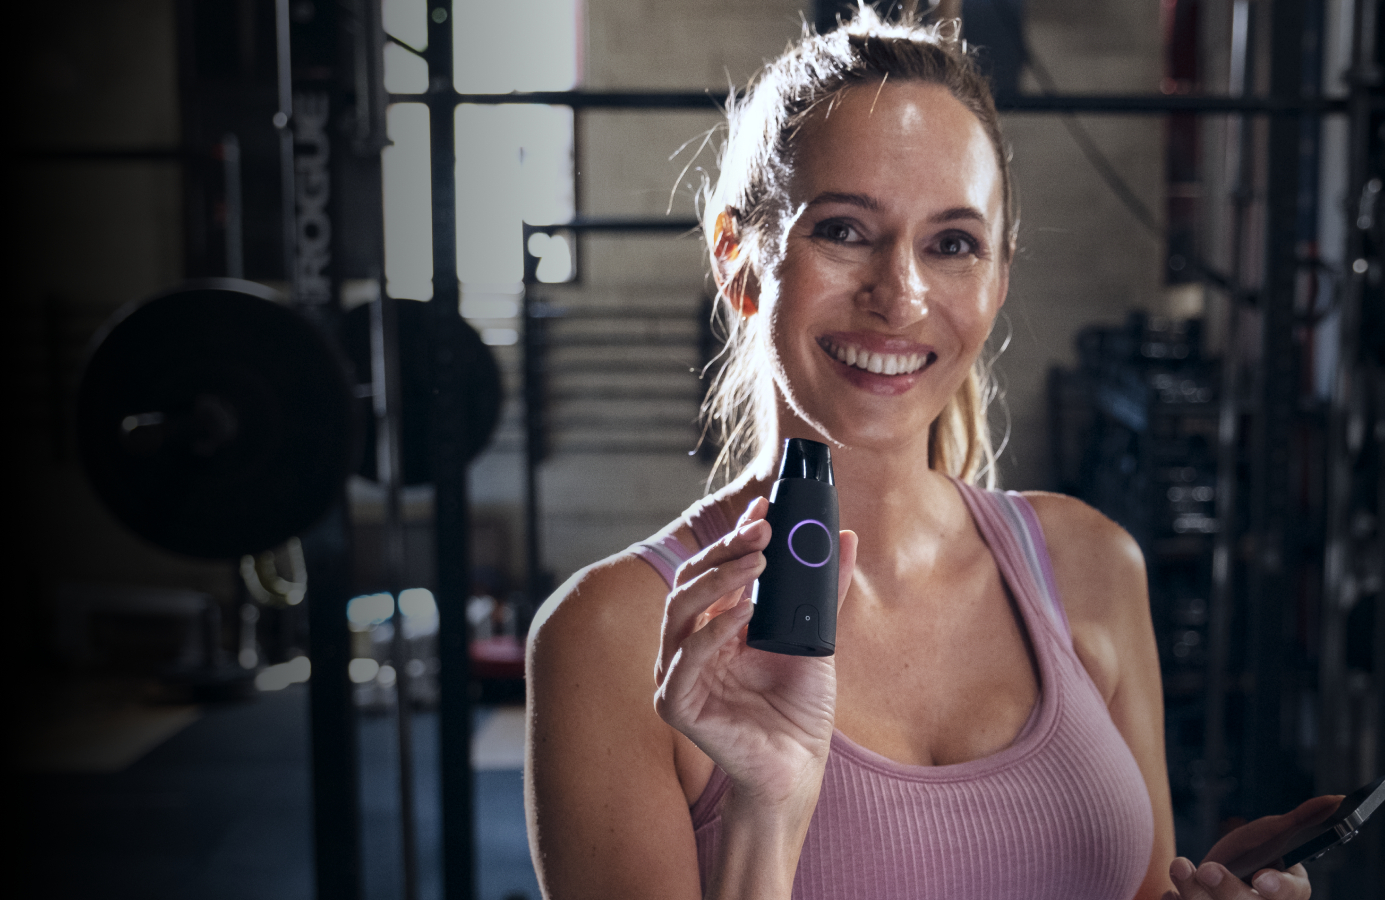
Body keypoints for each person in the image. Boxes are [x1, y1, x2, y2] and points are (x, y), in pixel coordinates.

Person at [525, 8, 1339, 899]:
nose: (900, 296)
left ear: (996, 280)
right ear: (739, 259)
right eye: (842, 229)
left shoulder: (1090, 565)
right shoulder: (613, 638)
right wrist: (765, 808)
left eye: (952, 244)